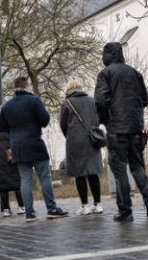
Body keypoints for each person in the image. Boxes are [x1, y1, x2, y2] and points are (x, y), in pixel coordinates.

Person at [95, 42, 148, 222]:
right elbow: (145, 99)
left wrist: (103, 119)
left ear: (106, 55)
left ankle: (125, 210)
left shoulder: (105, 74)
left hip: (116, 129)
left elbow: (100, 101)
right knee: (137, 166)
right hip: (135, 128)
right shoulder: (135, 73)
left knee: (119, 169)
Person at [0, 77, 68, 222]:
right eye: (30, 85)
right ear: (26, 86)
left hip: (17, 147)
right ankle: (51, 209)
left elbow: (2, 127)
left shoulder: (6, 106)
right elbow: (45, 120)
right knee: (44, 176)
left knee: (25, 180)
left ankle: (29, 213)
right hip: (34, 143)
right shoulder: (34, 100)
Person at [60, 80, 104, 216]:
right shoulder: (92, 101)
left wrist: (70, 135)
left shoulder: (67, 103)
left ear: (69, 89)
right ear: (80, 88)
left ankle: (84, 206)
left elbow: (63, 124)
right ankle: (98, 205)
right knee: (93, 172)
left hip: (75, 141)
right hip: (92, 139)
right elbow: (98, 119)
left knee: (79, 174)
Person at [0, 111, 25, 217]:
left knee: (2, 186)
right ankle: (21, 206)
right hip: (10, 158)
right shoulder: (8, 124)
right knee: (17, 183)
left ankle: (6, 210)